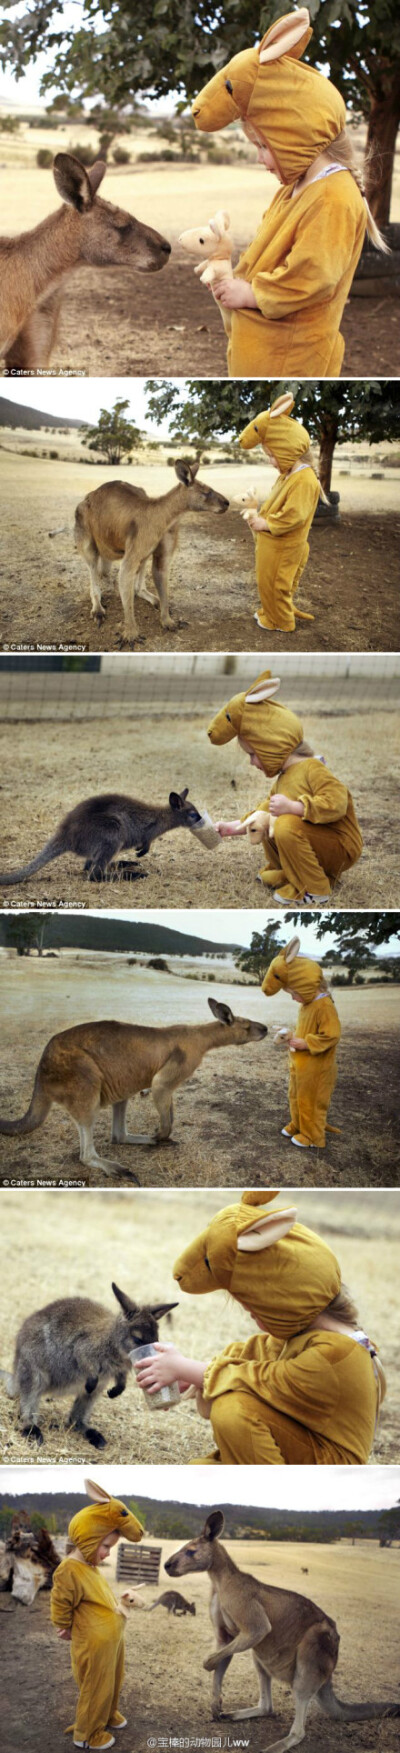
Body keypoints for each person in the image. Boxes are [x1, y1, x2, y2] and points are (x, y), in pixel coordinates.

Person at [191, 8, 388, 378]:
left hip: (292, 358)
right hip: (264, 349)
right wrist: (227, 267)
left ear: (293, 131)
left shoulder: (333, 197)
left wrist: (251, 294)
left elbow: (314, 274)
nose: (260, 158)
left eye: (264, 146)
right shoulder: (294, 189)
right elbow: (271, 255)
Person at [135, 1191, 386, 1466]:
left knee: (234, 1408)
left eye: (253, 1308)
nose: (251, 1315)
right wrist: (188, 1373)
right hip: (304, 1444)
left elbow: (263, 1379)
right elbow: (245, 1357)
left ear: (281, 1297)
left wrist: (186, 1368)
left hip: (327, 1464)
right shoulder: (302, 1337)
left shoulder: (335, 1355)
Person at [208, 666, 363, 904]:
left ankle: (314, 889)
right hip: (319, 843)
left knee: (285, 824)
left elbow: (337, 803)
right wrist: (231, 828)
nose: (251, 762)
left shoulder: (313, 768)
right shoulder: (285, 777)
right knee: (271, 818)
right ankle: (291, 873)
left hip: (341, 846)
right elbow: (262, 813)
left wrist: (296, 808)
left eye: (253, 754)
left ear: (270, 745)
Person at [50, 1483, 143, 1751]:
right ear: (90, 1538)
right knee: (95, 1686)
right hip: (93, 1643)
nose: (108, 1553)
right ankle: (87, 1733)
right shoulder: (69, 1569)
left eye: (111, 1548)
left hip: (112, 1640)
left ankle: (108, 1714)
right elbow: (60, 1601)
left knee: (113, 1679)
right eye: (105, 1546)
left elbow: (97, 1599)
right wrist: (63, 1626)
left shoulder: (89, 1566)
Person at [238, 392, 321, 631]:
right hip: (273, 545)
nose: (271, 461)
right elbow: (278, 505)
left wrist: (267, 524)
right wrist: (257, 513)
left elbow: (295, 514)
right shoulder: (288, 476)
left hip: (284, 546)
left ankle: (281, 621)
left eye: (272, 455)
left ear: (286, 449)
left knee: (277, 583)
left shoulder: (304, 480)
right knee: (267, 582)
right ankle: (271, 610)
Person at [263, 935, 341, 1148]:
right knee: (296, 1095)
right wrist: (289, 1034)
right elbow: (305, 1031)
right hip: (301, 1065)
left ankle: (313, 1136)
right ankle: (298, 1125)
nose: (292, 997)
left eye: (293, 992)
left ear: (305, 986)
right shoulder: (306, 1006)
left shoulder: (324, 1007)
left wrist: (307, 1044)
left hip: (317, 1069)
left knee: (312, 1101)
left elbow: (331, 1034)